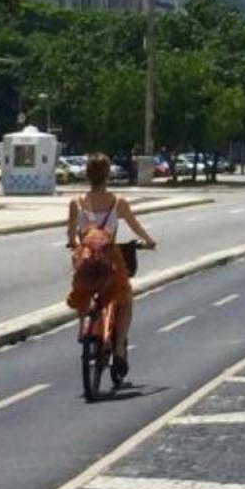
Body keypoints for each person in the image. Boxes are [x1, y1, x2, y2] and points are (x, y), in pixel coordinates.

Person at [65, 153, 157, 382]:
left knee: (83, 291)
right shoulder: (118, 203)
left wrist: (75, 244)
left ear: (87, 174)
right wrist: (149, 241)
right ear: (108, 175)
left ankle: (83, 327)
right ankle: (118, 351)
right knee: (124, 300)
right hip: (111, 261)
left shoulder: (76, 202)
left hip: (86, 259)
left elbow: (70, 235)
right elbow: (137, 228)